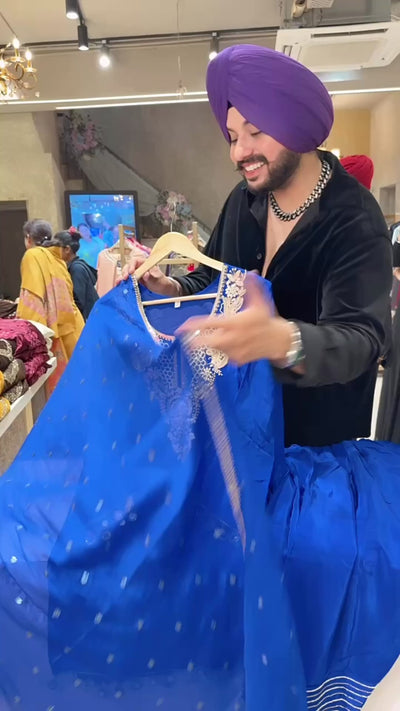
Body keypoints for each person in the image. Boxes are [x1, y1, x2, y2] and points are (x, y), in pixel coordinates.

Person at [122, 45, 392, 449]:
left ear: (295, 124)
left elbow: (362, 341)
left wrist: (283, 341)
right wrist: (172, 287)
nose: (239, 152)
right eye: (233, 137)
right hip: (240, 427)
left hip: (313, 444)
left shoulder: (355, 218)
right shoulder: (242, 200)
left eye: (256, 132)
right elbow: (214, 277)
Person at [17, 219, 84, 389]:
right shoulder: (57, 258)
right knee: (77, 384)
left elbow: (32, 299)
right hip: (73, 327)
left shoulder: (32, 256)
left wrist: (27, 339)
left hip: (53, 333)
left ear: (28, 238)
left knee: (57, 392)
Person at [55, 228, 98, 321]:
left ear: (67, 249)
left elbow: (78, 303)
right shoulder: (77, 266)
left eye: (56, 248)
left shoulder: (76, 269)